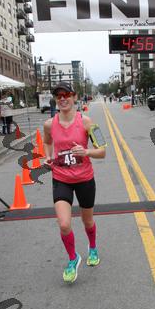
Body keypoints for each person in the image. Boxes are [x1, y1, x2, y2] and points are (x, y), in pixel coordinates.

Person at [43, 81, 106, 284]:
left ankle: (92, 247)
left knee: (87, 221)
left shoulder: (87, 122)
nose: (63, 99)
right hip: (61, 178)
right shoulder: (49, 124)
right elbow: (47, 141)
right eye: (58, 96)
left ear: (74, 97)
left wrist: (86, 151)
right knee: (64, 224)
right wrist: (48, 157)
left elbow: (102, 151)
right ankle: (73, 258)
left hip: (84, 178)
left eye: (66, 95)